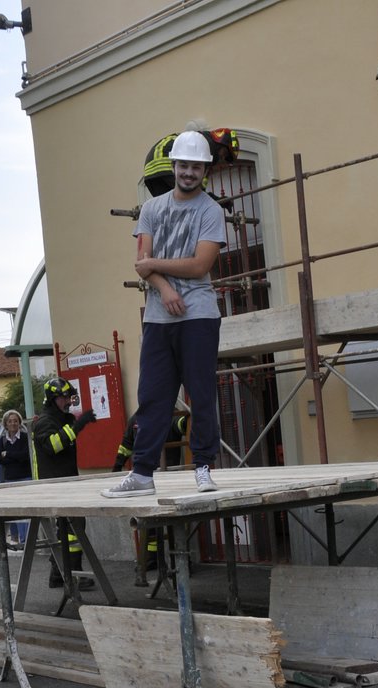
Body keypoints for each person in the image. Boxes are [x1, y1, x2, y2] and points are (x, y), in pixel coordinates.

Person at [103, 127, 227, 499]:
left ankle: (203, 468)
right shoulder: (153, 209)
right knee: (153, 395)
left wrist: (155, 266)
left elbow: (201, 265)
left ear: (205, 171)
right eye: (184, 165)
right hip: (159, 317)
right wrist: (166, 287)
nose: (189, 172)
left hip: (199, 316)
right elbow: (140, 264)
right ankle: (142, 474)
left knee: (201, 393)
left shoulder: (211, 211)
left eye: (197, 167)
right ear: (174, 166)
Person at [31, 376, 98, 585]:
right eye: (65, 397)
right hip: (54, 484)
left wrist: (74, 424)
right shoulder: (44, 422)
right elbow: (53, 446)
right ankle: (73, 574)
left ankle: (58, 573)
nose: (69, 401)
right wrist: (77, 426)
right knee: (72, 527)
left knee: (66, 529)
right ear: (53, 399)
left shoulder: (62, 419)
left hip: (66, 482)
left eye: (70, 397)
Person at [113, 408, 189, 570]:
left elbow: (182, 425)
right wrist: (118, 464)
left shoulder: (171, 414)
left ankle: (181, 564)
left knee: (174, 523)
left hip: (169, 479)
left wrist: (191, 417)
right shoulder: (136, 418)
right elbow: (126, 444)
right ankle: (152, 559)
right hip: (146, 479)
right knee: (149, 521)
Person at [142, 126, 239, 198]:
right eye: (225, 154)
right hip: (165, 163)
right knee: (191, 197)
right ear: (220, 143)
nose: (223, 159)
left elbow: (200, 192)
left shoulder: (202, 140)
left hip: (151, 170)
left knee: (170, 206)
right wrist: (215, 200)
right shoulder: (206, 145)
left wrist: (213, 199)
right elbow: (199, 193)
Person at [0, 408, 33, 548]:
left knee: (27, 511)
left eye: (15, 421)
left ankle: (28, 540)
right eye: (10, 421)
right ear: (5, 424)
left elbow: (25, 456)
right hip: (10, 480)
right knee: (17, 512)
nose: (13, 423)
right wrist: (14, 456)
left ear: (19, 422)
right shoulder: (3, 440)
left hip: (25, 478)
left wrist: (9, 455)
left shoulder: (24, 437)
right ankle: (22, 540)